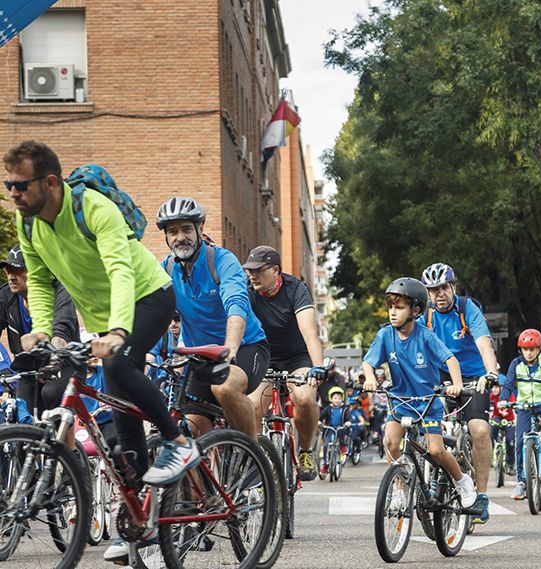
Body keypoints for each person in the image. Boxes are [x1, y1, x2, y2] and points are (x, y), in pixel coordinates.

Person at [3, 141, 197, 566]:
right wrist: (42, 330)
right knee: (120, 416)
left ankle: (180, 442)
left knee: (117, 363)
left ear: (49, 182)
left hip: (148, 296)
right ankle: (142, 519)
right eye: (8, 185)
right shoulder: (29, 223)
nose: (13, 194)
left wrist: (118, 331)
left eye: (20, 185)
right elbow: (40, 280)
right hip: (105, 314)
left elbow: (120, 270)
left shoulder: (92, 209)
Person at [156, 197, 268, 439]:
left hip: (246, 347)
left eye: (186, 229)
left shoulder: (222, 261)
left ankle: (252, 454)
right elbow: (147, 307)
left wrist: (230, 348)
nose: (180, 237)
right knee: (191, 427)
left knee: (225, 386)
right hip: (201, 357)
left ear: (200, 228)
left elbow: (236, 305)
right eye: (172, 232)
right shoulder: (165, 269)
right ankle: (207, 464)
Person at [362, 277, 477, 508]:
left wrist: (456, 384)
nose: (393, 312)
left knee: (436, 450)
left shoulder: (425, 336)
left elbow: (451, 360)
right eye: (391, 307)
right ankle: (399, 489)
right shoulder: (385, 335)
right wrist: (370, 378)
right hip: (400, 401)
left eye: (399, 307)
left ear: (415, 311)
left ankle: (462, 481)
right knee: (390, 442)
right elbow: (368, 363)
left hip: (428, 403)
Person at [419, 262, 498, 522]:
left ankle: (482, 494)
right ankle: (431, 478)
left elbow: (484, 343)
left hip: (474, 377)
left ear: (453, 287)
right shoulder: (424, 315)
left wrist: (491, 373)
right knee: (428, 429)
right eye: (433, 290)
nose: (439, 294)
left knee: (479, 430)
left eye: (444, 287)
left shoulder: (467, 308)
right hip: (440, 376)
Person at [242, 245, 327, 481]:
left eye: (258, 270)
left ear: (276, 270)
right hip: (264, 356)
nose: (253, 276)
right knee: (252, 405)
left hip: (296, 357)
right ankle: (256, 460)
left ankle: (306, 450)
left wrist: (318, 367)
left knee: (305, 397)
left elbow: (310, 333)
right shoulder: (248, 292)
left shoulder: (295, 289)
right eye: (250, 271)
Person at [0, 244, 80, 418]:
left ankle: (70, 437)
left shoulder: (60, 290)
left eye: (18, 270)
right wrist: (2, 367)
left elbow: (62, 329)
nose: (11, 277)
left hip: (65, 360)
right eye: (8, 271)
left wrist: (55, 360)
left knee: (51, 395)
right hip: (29, 366)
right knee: (23, 413)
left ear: (35, 271)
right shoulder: (6, 296)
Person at [501, 329, 541, 500]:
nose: (528, 353)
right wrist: (504, 399)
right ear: (520, 349)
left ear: (539, 349)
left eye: (532, 349)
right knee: (520, 441)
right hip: (524, 406)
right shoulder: (516, 364)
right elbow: (508, 384)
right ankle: (521, 482)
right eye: (525, 349)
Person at [318, 386, 350, 479]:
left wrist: (348, 422)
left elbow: (348, 416)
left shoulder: (344, 408)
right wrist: (319, 421)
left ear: (342, 399)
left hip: (340, 427)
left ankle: (343, 447)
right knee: (325, 445)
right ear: (331, 399)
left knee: (342, 435)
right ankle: (325, 465)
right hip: (330, 429)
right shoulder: (328, 408)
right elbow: (322, 415)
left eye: (339, 398)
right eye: (335, 398)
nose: (337, 400)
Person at [489, 376, 515, 475]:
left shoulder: (510, 396)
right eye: (492, 387)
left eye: (496, 387)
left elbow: (514, 405)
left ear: (502, 387)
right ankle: (492, 449)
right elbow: (489, 408)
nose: (494, 389)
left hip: (509, 419)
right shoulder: (492, 396)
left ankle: (510, 464)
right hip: (497, 417)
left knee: (510, 441)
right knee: (493, 427)